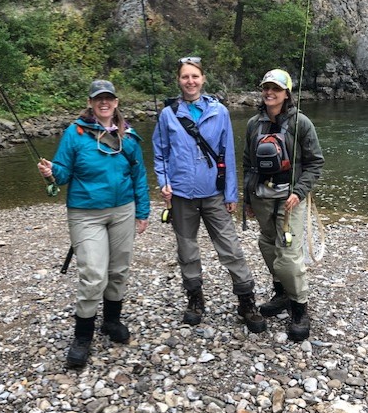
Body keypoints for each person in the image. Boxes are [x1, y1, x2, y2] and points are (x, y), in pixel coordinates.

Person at [38, 79, 150, 367]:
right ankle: (82, 336)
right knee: (93, 274)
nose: (104, 103)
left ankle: (111, 322)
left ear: (116, 102)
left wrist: (143, 212)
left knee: (119, 269)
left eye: (109, 98)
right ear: (90, 102)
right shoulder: (74, 134)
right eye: (98, 98)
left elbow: (139, 176)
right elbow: (62, 173)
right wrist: (50, 172)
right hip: (85, 214)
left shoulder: (129, 136)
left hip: (123, 210)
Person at [152, 56, 266, 333]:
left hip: (214, 193)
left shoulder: (219, 111)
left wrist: (231, 194)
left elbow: (228, 153)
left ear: (203, 79)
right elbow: (160, 153)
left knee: (231, 248)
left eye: (194, 76)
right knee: (187, 249)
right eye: (184, 77)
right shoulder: (168, 114)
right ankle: (195, 299)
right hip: (180, 195)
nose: (190, 81)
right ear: (178, 81)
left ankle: (246, 301)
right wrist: (163, 181)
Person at [243, 69, 324, 341]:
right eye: (266, 88)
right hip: (262, 199)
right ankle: (281, 295)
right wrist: (248, 200)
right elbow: (248, 164)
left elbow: (315, 163)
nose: (269, 93)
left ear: (286, 94)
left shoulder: (302, 123)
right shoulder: (254, 124)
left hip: (291, 201)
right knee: (267, 246)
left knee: (288, 256)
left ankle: (300, 307)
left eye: (275, 89)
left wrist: (299, 192)